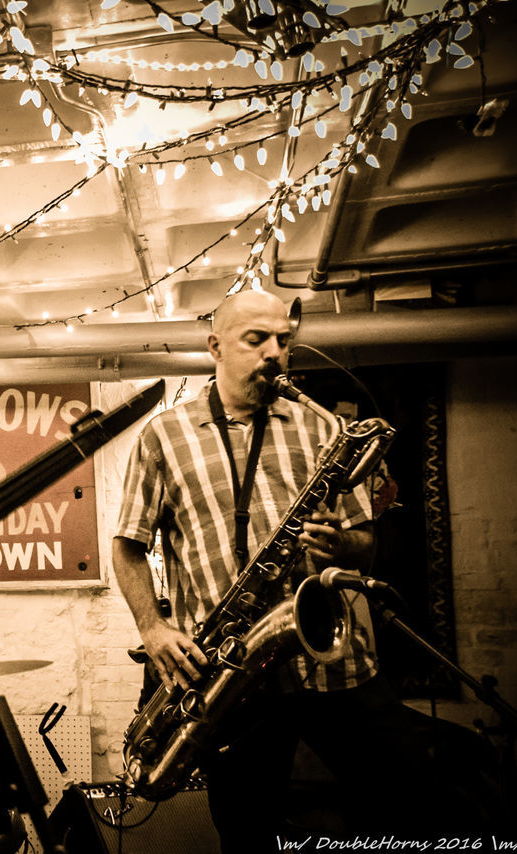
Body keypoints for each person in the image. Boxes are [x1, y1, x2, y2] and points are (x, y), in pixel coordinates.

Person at [112, 289, 448, 849]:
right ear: (215, 346)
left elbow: (365, 541)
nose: (275, 353)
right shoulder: (163, 436)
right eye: (256, 339)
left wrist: (343, 545)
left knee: (403, 803)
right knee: (246, 831)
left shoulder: (321, 430)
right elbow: (127, 546)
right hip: (232, 676)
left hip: (332, 659)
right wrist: (153, 629)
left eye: (283, 341)